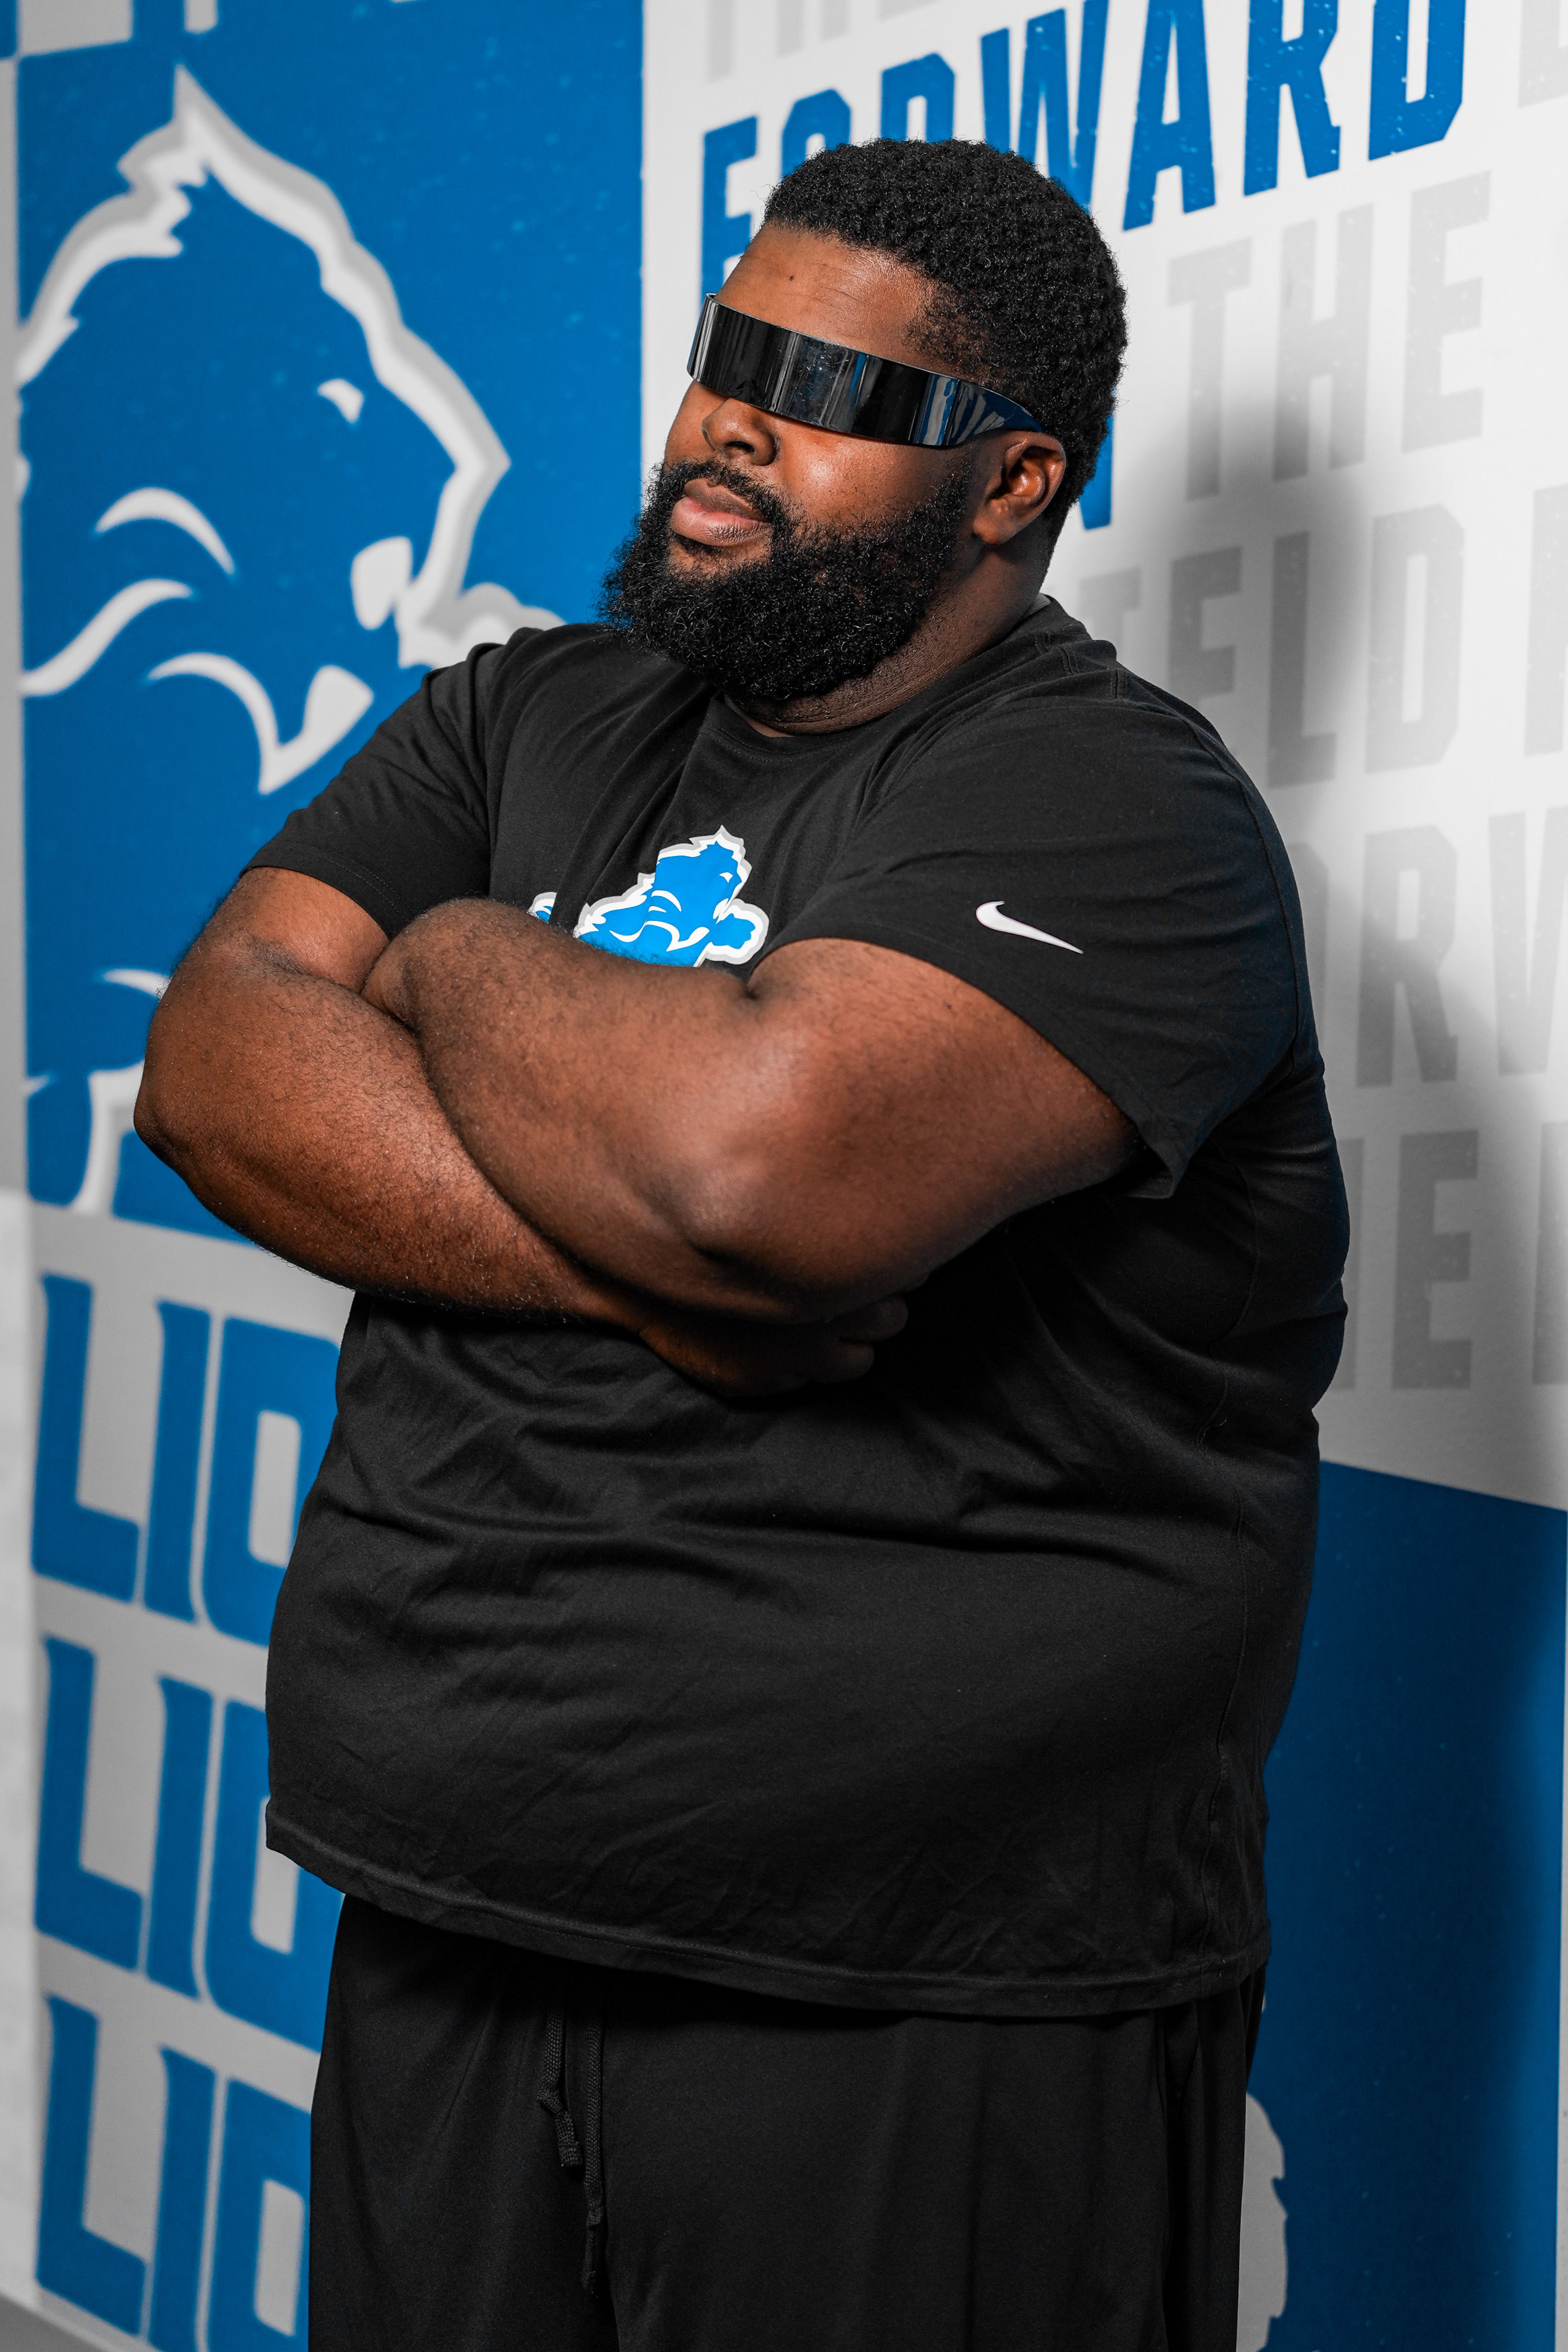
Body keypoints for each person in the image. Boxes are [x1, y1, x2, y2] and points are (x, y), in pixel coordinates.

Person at [138, 136, 1346, 2352]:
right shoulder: (529, 711)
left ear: (1012, 482)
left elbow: (761, 1180)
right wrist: (651, 1250)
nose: (727, 420)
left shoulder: (1114, 801)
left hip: (907, 1989)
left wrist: (460, 961)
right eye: (727, 354)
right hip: (454, 1905)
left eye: (828, 390)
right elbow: (214, 1069)